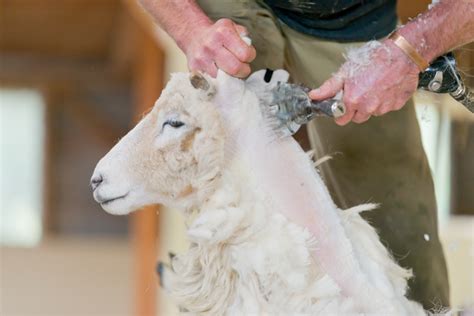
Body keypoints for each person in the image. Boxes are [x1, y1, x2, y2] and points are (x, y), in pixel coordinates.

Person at [140, 0, 474, 309]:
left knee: (402, 244)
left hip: (354, 18)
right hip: (230, 13)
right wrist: (190, 29)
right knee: (231, 206)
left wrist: (409, 50)